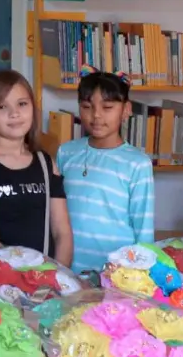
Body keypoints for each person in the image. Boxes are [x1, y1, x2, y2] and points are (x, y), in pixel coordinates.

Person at [0, 71, 72, 266]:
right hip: (3, 283)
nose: (15, 113)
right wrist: (27, 280)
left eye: (22, 104)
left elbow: (62, 232)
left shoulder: (46, 163)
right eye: (2, 107)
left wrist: (58, 277)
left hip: (48, 283)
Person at [56, 66, 154, 272]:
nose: (96, 115)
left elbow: (143, 228)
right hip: (69, 267)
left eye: (107, 107)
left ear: (126, 110)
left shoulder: (137, 163)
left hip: (116, 272)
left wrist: (142, 271)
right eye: (86, 106)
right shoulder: (66, 152)